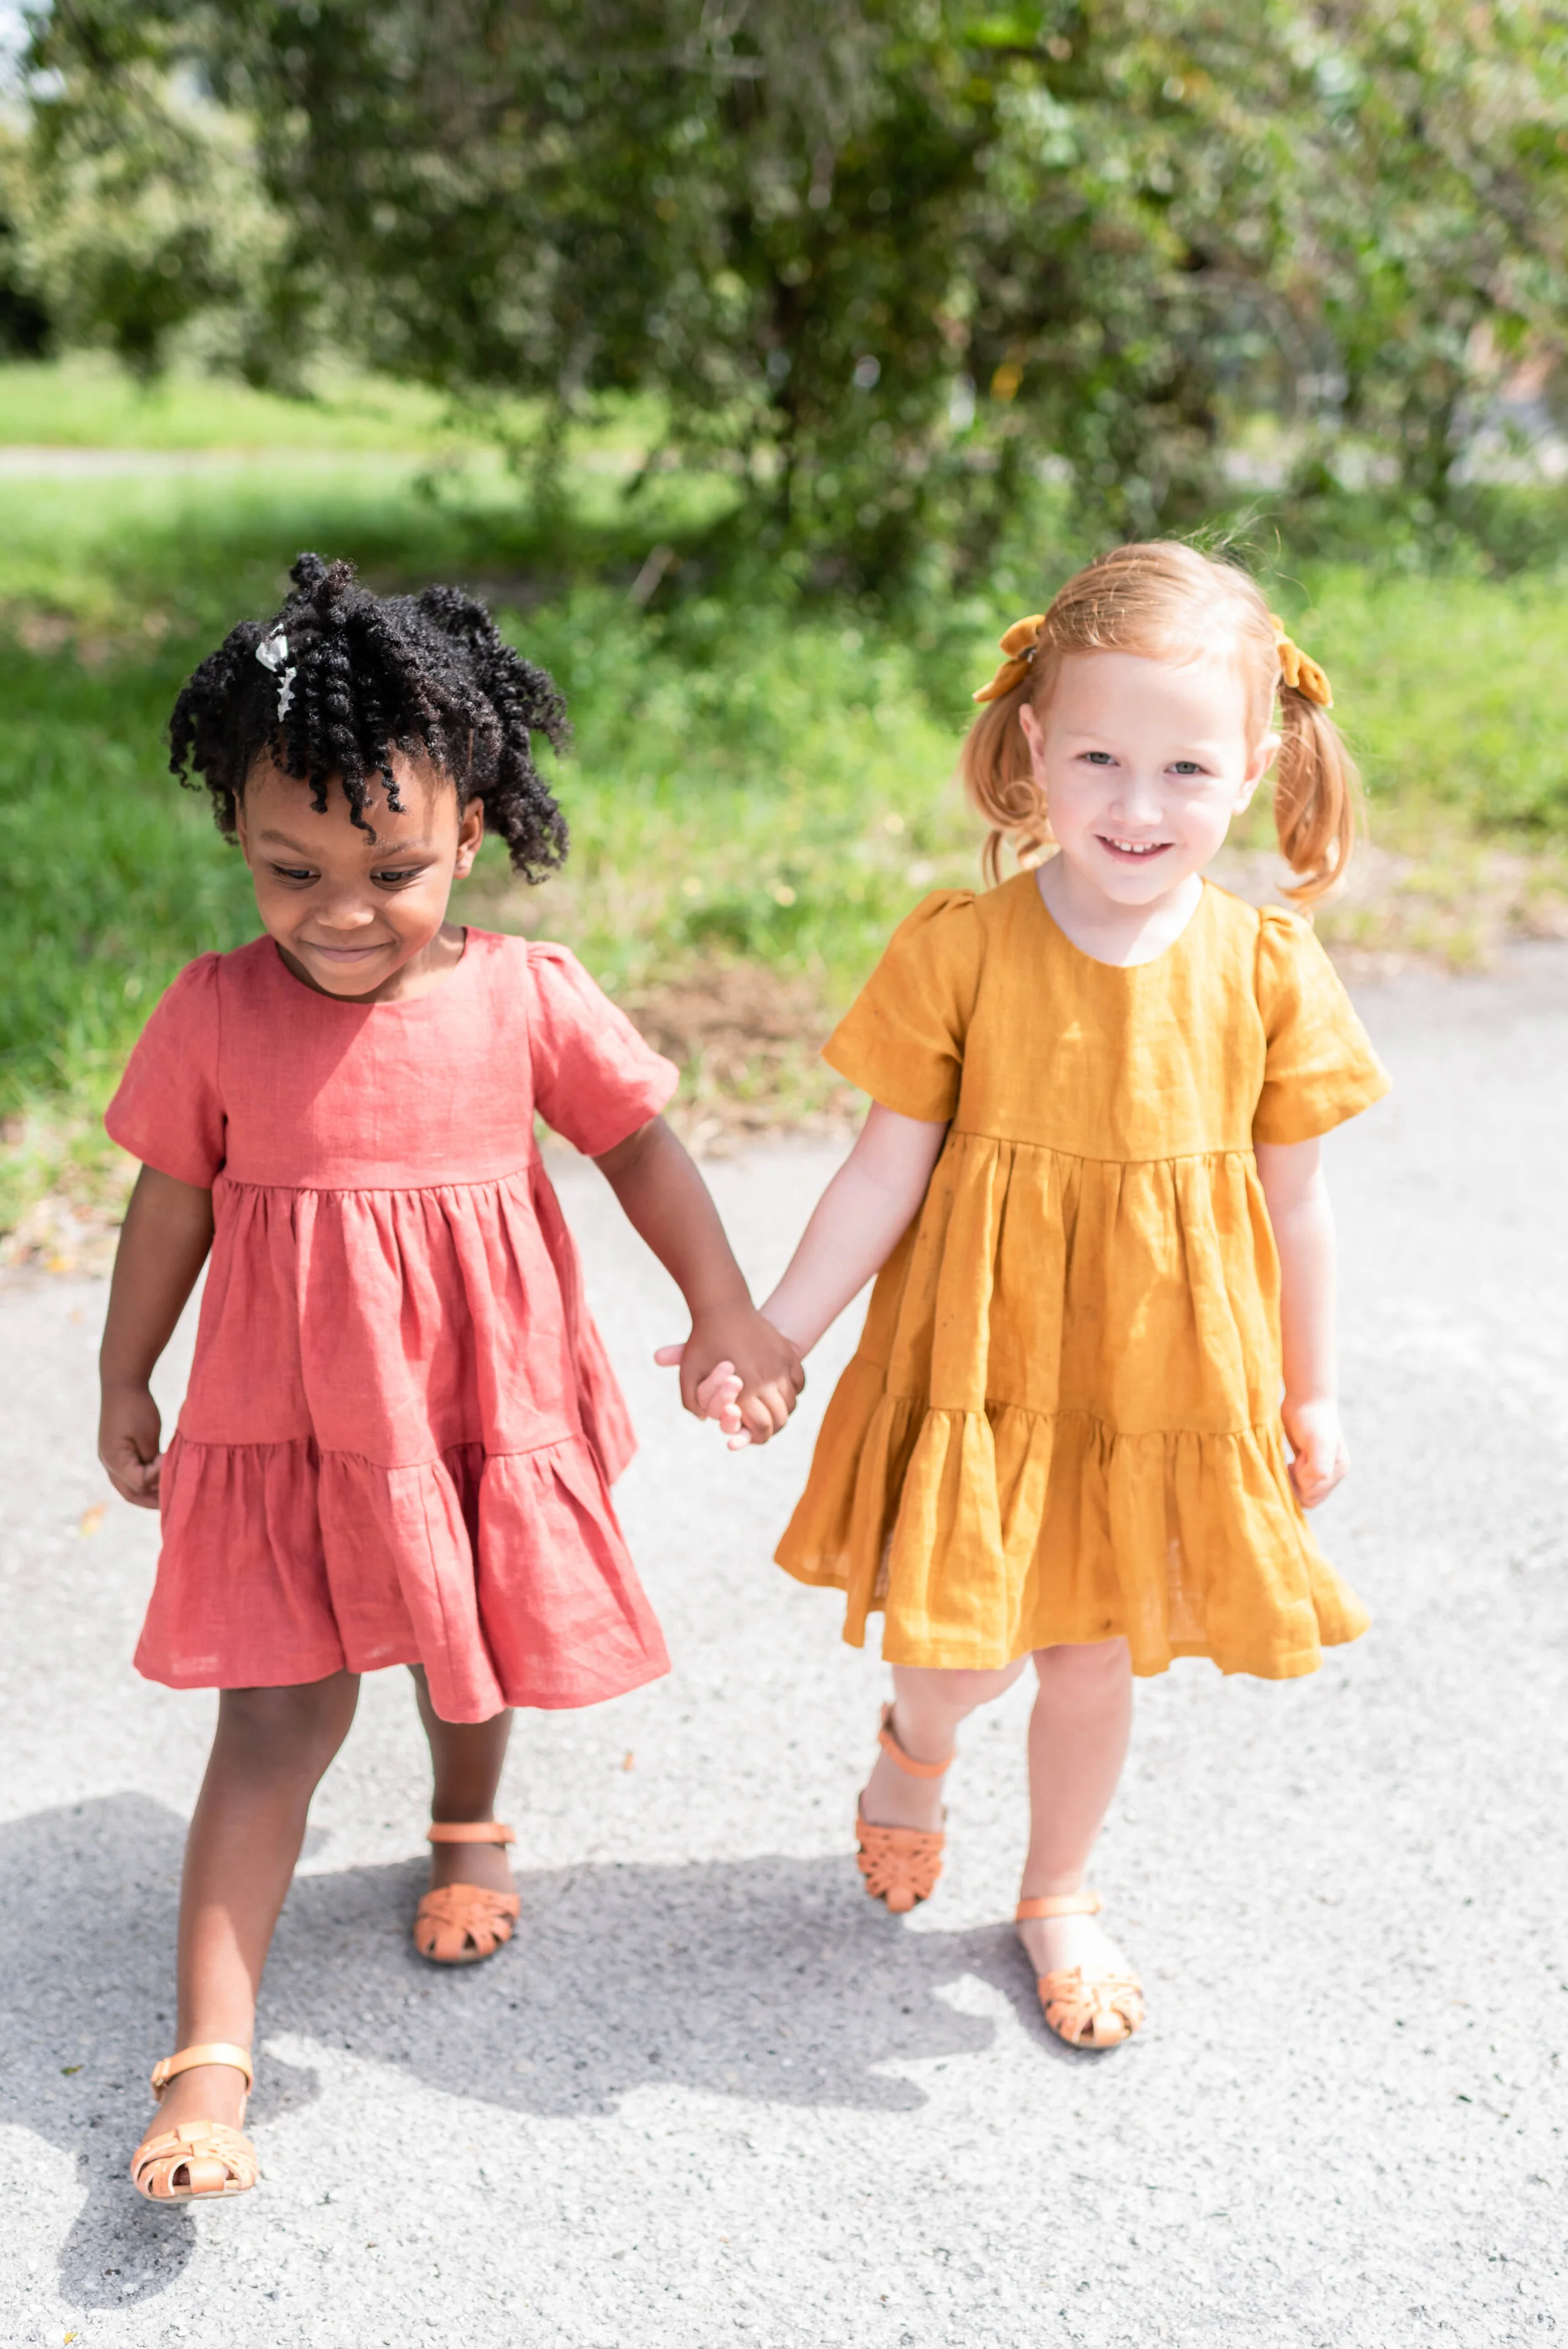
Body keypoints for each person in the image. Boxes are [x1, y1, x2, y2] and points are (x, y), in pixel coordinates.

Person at [100, 553, 801, 2202]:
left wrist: (723, 1311)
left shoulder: (524, 997)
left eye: (392, 869)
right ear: (239, 840)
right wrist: (128, 1374)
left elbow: (639, 1146)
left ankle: (469, 1819)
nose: (341, 910)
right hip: (290, 1421)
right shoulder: (212, 1015)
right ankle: (209, 2062)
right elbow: (164, 1205)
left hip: (477, 1405)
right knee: (270, 1720)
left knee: (465, 1629)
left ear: (472, 828)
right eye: (291, 869)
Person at [687, 541, 1390, 2051]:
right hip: (983, 1368)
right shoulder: (965, 949)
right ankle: (913, 1751)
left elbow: (1297, 1203)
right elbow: (881, 1173)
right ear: (1030, 748)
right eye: (1099, 757)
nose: (1138, 808)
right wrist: (778, 1334)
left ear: (1256, 768)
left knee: (1089, 1655)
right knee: (959, 1657)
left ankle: (1056, 1889)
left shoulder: (1265, 966)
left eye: (1186, 768)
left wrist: (1307, 1387)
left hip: (1157, 1383)